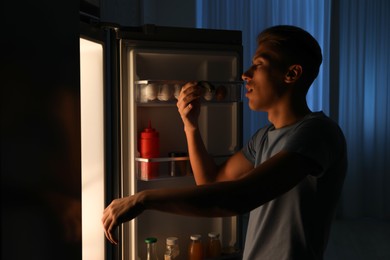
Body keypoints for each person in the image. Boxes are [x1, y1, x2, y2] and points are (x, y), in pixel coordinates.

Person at [102, 25, 347, 260]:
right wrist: (191, 126)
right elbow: (210, 182)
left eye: (259, 64)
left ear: (291, 74)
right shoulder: (263, 138)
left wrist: (144, 199)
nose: (245, 74)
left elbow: (239, 197)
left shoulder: (317, 133)